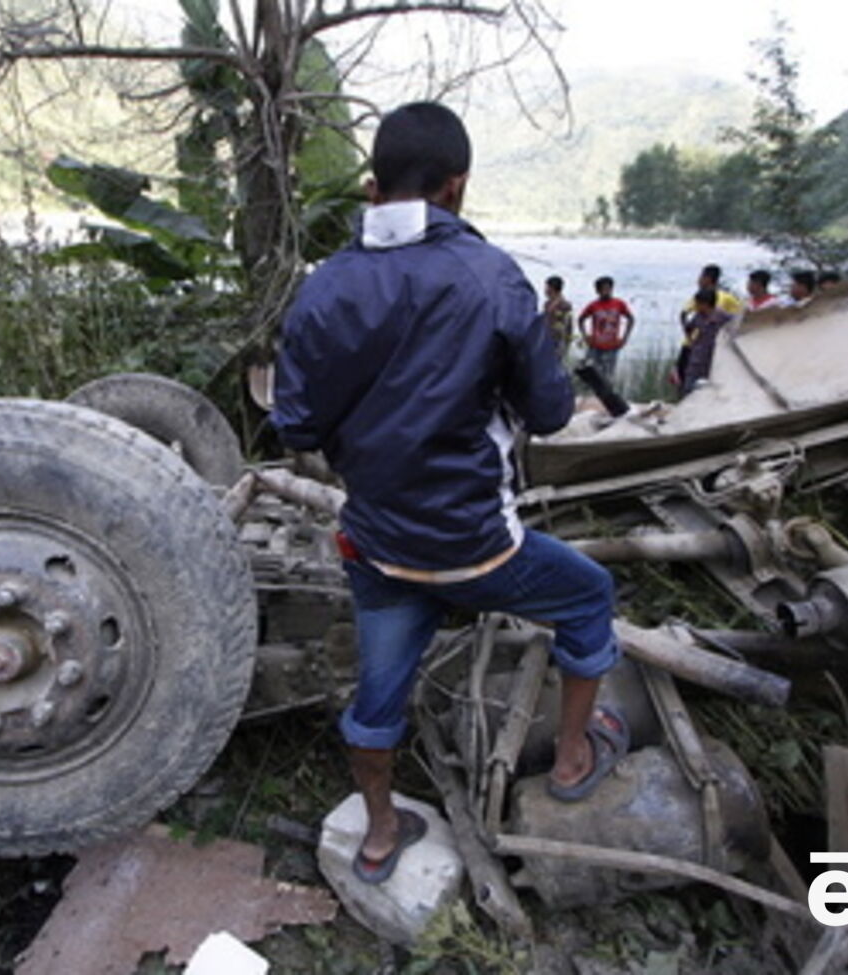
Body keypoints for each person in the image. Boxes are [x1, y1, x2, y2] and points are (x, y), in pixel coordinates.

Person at [271, 102, 623, 885]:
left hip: (379, 544)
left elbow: (294, 421)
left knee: (377, 692)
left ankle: (379, 833)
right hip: (476, 547)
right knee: (590, 594)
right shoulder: (490, 276)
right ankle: (571, 757)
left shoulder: (325, 286)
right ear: (456, 187)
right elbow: (553, 412)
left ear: (372, 186)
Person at [577, 276, 635, 384]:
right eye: (603, 289)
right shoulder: (593, 305)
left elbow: (630, 319)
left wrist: (625, 338)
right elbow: (581, 319)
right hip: (595, 346)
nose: (606, 292)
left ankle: (605, 397)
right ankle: (590, 395)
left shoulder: (619, 304)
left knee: (608, 376)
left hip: (612, 346)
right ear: (597, 291)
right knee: (592, 373)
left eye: (608, 289)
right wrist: (585, 336)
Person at [679, 288, 732, 396]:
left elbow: (735, 326)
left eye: (698, 304)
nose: (696, 307)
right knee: (689, 389)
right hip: (697, 357)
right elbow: (689, 329)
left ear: (706, 304)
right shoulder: (698, 316)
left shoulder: (722, 316)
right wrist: (691, 339)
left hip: (713, 358)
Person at [543, 275, 574, 358]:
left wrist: (566, 344)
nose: (545, 290)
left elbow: (568, 326)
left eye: (547, 287)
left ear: (552, 288)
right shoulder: (547, 304)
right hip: (547, 340)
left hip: (558, 342)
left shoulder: (565, 305)